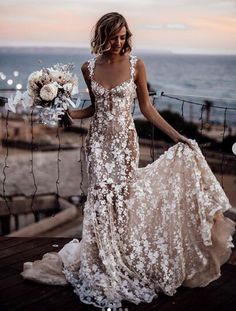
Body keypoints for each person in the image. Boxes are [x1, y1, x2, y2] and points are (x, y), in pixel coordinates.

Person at [21, 12, 235, 309]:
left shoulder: (137, 65)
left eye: (123, 37)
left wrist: (178, 136)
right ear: (103, 36)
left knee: (122, 201)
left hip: (124, 144)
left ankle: (122, 257)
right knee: (99, 201)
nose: (119, 42)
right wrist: (67, 112)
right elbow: (94, 109)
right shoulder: (88, 67)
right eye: (114, 37)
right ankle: (102, 260)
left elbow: (146, 108)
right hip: (97, 144)